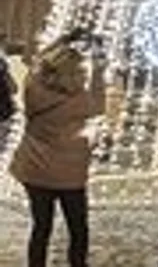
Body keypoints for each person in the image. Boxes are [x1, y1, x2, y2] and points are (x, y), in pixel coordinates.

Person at [11, 31, 104, 267]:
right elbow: (100, 103)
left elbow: (40, 60)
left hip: (34, 169)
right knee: (78, 229)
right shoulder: (83, 99)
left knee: (41, 227)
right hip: (68, 175)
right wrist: (100, 61)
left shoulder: (33, 88)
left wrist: (64, 39)